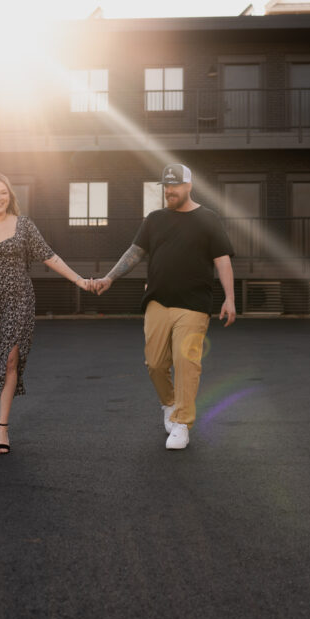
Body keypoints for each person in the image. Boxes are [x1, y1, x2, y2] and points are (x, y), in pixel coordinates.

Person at [0, 172, 90, 454]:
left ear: (10, 197)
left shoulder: (24, 226)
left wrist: (79, 280)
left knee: (10, 361)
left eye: (3, 193)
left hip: (18, 301)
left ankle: (3, 428)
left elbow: (49, 256)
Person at [93, 163, 235, 449]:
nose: (169, 191)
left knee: (186, 362)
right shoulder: (154, 219)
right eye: (166, 186)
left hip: (194, 304)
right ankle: (169, 404)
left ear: (188, 186)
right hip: (157, 301)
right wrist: (110, 277)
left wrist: (230, 298)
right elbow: (135, 253)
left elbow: (222, 259)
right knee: (155, 363)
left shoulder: (208, 219)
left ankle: (182, 423)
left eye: (175, 186)